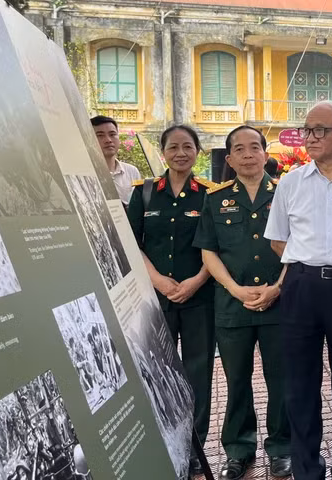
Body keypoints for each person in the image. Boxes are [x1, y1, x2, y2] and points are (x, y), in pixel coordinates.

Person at [265, 101, 332, 480]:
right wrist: (308, 263)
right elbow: (279, 241)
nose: (310, 137)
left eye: (320, 130)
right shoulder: (291, 182)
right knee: (300, 383)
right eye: (307, 129)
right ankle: (307, 468)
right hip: (301, 288)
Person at [193, 125, 292, 480]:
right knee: (236, 380)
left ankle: (282, 447)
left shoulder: (286, 193)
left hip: (279, 304)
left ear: (266, 154)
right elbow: (209, 250)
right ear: (230, 158)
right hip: (232, 306)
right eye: (240, 149)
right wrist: (235, 289)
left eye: (255, 147)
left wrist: (277, 287)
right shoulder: (216, 199)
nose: (248, 154)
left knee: (280, 378)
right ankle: (238, 449)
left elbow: (298, 249)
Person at [126, 124, 215, 476]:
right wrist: (160, 281)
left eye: (188, 146)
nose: (181, 153)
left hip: (199, 298)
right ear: (163, 152)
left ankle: (195, 447)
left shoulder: (209, 194)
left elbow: (214, 246)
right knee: (156, 373)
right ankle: (162, 441)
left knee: (198, 373)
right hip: (156, 298)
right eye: (173, 147)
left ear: (198, 151)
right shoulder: (145, 193)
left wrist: (194, 282)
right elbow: (132, 241)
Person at [91, 115, 141, 206]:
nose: (108, 140)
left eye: (112, 134)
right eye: (100, 135)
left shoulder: (132, 171)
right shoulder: (87, 173)